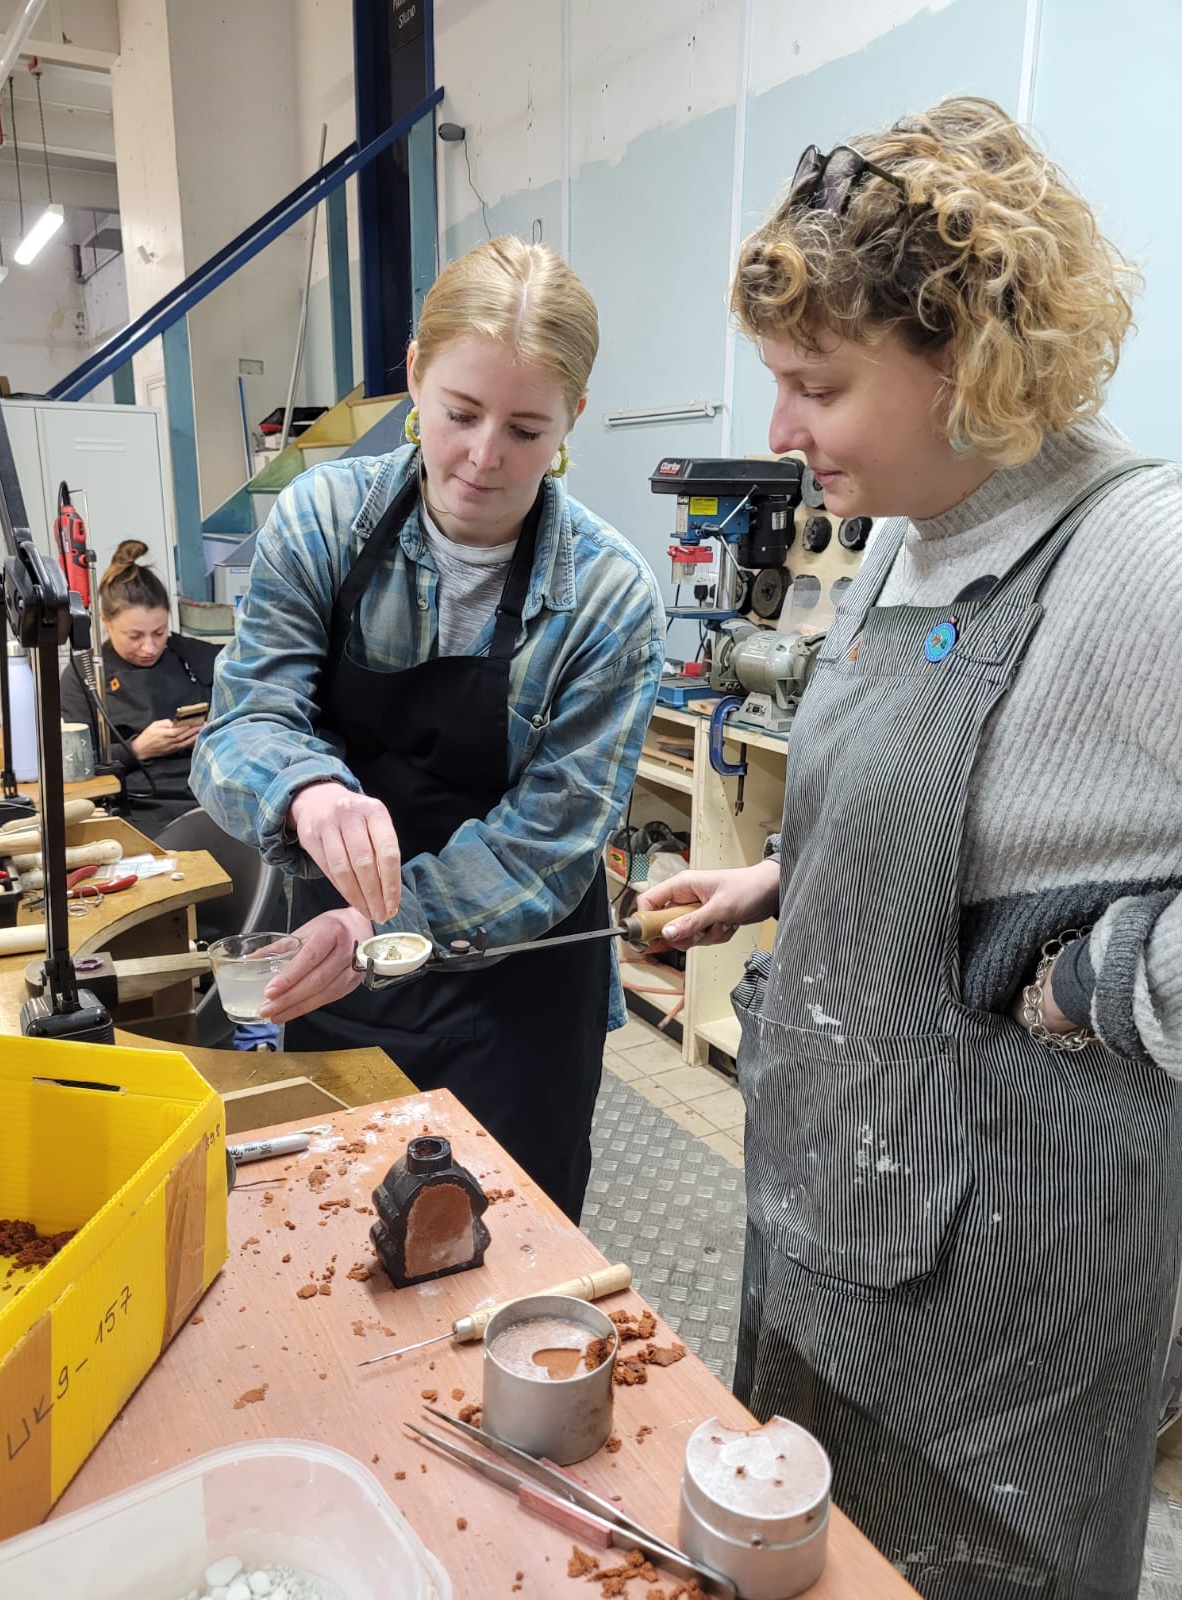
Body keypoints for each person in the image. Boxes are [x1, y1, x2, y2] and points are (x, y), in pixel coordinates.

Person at [640, 97, 1182, 1597]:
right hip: (840, 1221)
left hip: (1021, 1285)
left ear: (968, 361)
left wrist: (1113, 977)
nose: (779, 432)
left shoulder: (1137, 559)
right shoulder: (904, 529)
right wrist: (781, 882)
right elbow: (965, 812)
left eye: (817, 385)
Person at [191, 236, 664, 1222]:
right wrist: (307, 787)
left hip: (519, 994)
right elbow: (242, 724)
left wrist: (380, 922)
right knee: (337, 1236)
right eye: (458, 415)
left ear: (574, 417)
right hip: (337, 963)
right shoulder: (321, 522)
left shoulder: (609, 598)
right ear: (413, 376)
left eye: (528, 429)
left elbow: (548, 845)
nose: (485, 458)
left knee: (501, 1249)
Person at [59, 539, 220, 838]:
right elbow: (73, 767)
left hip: (211, 800)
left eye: (159, 632)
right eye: (134, 636)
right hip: (136, 813)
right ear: (105, 621)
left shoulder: (195, 657)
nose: (149, 647)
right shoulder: (83, 676)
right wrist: (136, 750)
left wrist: (213, 731)